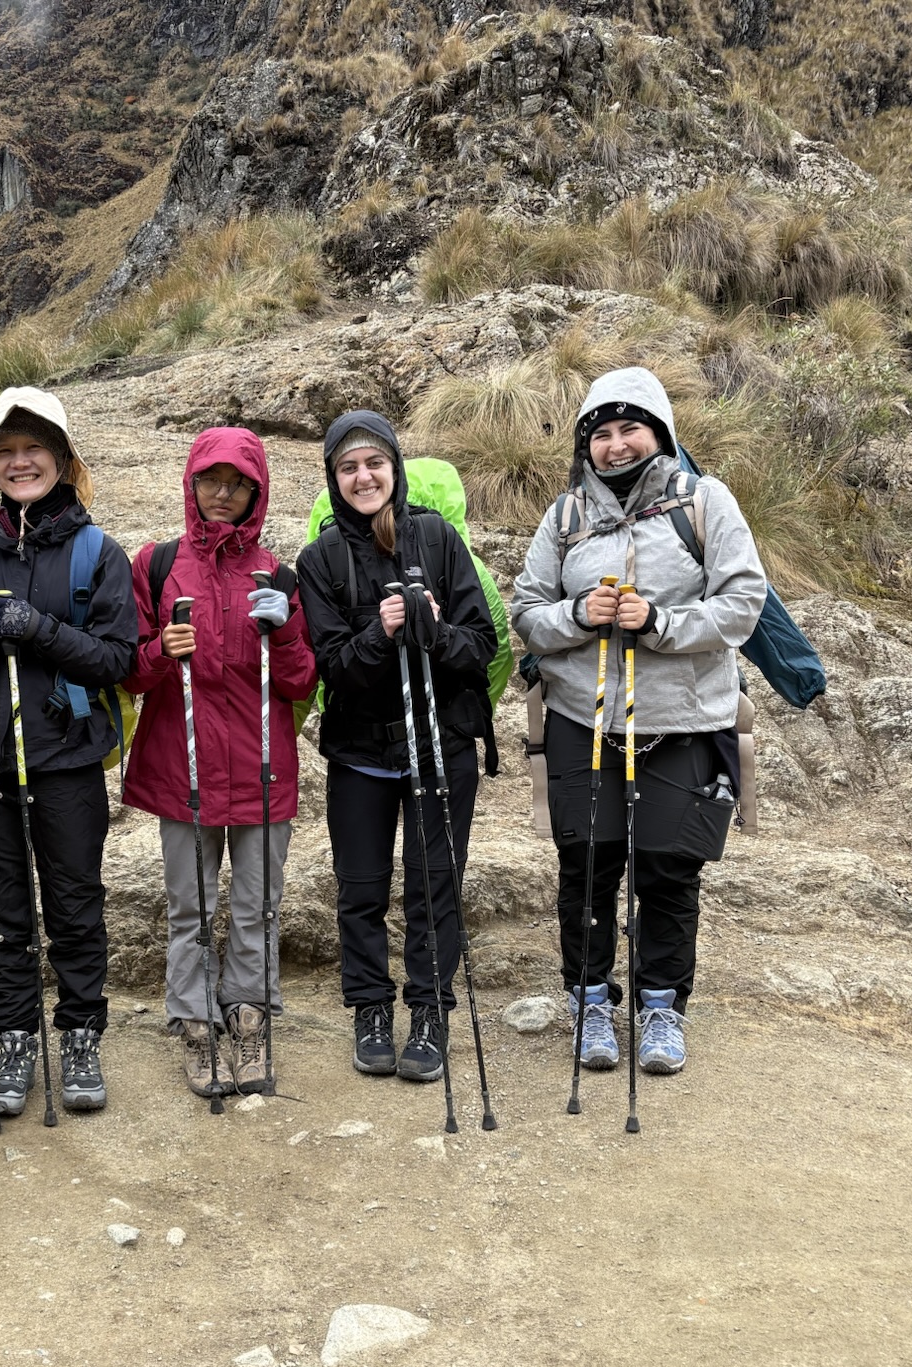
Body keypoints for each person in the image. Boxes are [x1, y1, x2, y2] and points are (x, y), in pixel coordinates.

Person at [510, 367, 767, 1076]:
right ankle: (590, 1000)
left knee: (668, 869)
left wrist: (658, 621)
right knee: (587, 866)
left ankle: (661, 1007)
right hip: (581, 717)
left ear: (660, 434)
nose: (616, 445)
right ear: (585, 445)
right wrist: (576, 615)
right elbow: (526, 611)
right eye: (602, 434)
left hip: (683, 722)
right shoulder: (565, 516)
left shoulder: (705, 502)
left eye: (631, 429)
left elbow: (743, 604)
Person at [0, 388, 136, 1118]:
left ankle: (79, 1036)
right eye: (4, 451)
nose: (19, 462)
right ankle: (12, 1037)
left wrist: (38, 628)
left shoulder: (98, 554)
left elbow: (117, 659)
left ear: (61, 460)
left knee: (74, 906)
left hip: (67, 761)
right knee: (1, 911)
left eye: (33, 448)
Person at [296, 412, 498, 1083]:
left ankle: (430, 1012)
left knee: (434, 887)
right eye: (348, 467)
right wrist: (381, 634)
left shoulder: (437, 539)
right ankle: (371, 1011)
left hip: (440, 746)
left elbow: (481, 647)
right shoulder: (319, 560)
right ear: (334, 478)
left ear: (395, 467)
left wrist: (435, 631)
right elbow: (333, 668)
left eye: (374, 463)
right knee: (360, 889)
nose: (363, 477)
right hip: (360, 754)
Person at [120, 428, 315, 1098]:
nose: (223, 494)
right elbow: (128, 671)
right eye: (212, 480)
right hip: (185, 768)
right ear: (192, 484)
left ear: (257, 493)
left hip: (261, 768)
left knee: (259, 906)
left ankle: (249, 1012)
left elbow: (300, 682)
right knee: (191, 907)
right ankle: (197, 1020)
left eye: (239, 484)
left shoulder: (278, 575)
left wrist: (284, 630)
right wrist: (158, 652)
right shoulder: (156, 565)